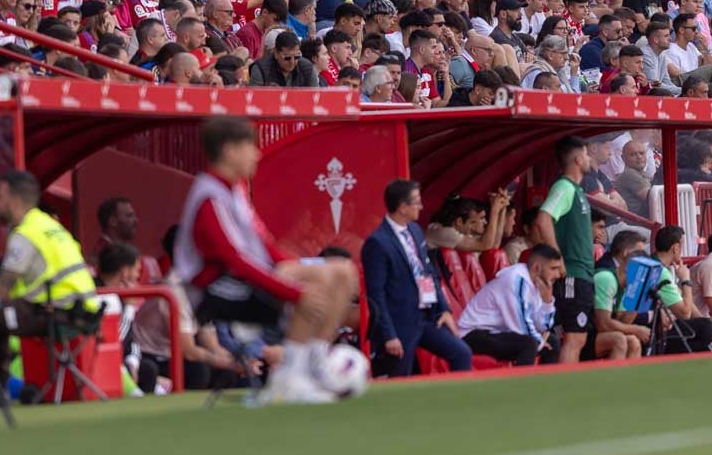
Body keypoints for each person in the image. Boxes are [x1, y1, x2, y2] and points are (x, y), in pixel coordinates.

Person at [175, 117, 358, 404]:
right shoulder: (210, 195)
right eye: (251, 146)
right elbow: (235, 260)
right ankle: (289, 379)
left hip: (243, 279)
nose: (257, 154)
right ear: (229, 151)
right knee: (316, 284)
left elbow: (265, 246)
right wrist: (294, 291)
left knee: (342, 272)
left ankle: (314, 365)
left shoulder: (234, 190)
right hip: (215, 291)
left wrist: (300, 269)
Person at [362, 178, 472, 377]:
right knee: (400, 376)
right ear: (403, 207)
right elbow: (375, 294)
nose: (421, 207)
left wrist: (444, 309)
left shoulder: (415, 231)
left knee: (461, 353)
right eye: (417, 202)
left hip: (427, 316)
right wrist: (389, 335)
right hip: (400, 321)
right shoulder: (378, 242)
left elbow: (428, 272)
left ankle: (457, 403)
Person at [0, 169, 101, 334]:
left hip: (57, 312)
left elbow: (5, 286)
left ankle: (5, 359)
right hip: (83, 310)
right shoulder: (47, 224)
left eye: (0, 198)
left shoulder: (25, 234)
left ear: (14, 201)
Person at [534, 136, 594, 364]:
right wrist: (558, 259)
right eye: (587, 154)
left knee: (576, 338)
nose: (589, 159)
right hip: (573, 275)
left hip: (582, 274)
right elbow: (543, 218)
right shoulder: (564, 187)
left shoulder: (575, 190)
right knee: (574, 338)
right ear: (579, 159)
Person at [457, 243, 563, 365]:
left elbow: (543, 326)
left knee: (552, 341)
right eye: (553, 268)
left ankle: (545, 384)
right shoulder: (516, 279)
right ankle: (522, 384)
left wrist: (547, 301)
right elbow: (521, 327)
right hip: (472, 334)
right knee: (529, 343)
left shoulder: (538, 284)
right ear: (536, 268)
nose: (558, 275)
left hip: (496, 332)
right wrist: (540, 341)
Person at [651, 225, 712, 353]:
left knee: (710, 326)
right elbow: (685, 313)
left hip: (662, 329)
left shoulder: (658, 266)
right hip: (659, 334)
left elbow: (684, 300)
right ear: (675, 248)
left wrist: (710, 325)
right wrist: (685, 280)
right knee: (705, 327)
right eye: (682, 246)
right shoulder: (659, 272)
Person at [591, 230, 650, 360]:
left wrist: (637, 296)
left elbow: (622, 321)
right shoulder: (607, 278)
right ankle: (612, 380)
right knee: (619, 339)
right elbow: (603, 324)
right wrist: (636, 329)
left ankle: (630, 381)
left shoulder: (624, 285)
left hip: (598, 335)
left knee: (634, 342)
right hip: (582, 334)